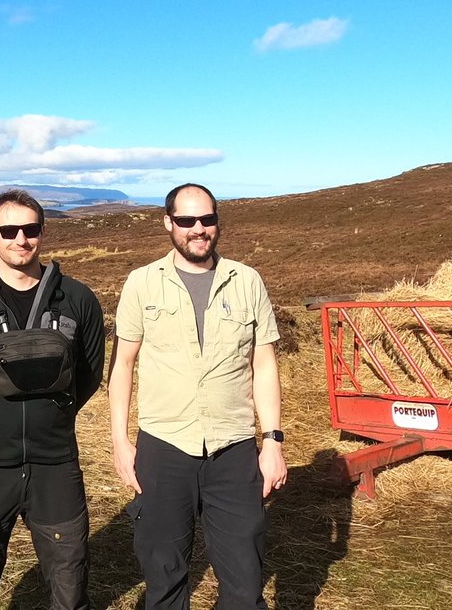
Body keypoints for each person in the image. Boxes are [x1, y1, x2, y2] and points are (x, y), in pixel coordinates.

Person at [108, 184, 286, 610]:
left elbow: (263, 366)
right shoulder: (142, 283)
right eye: (187, 221)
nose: (198, 229)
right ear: (169, 223)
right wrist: (119, 440)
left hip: (234, 448)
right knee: (164, 580)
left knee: (244, 584)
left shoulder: (247, 281)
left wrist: (273, 443)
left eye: (206, 219)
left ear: (216, 222)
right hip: (164, 446)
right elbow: (123, 366)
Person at [0, 190, 106, 610]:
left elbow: (90, 374)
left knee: (69, 591)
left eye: (30, 229)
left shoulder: (78, 299)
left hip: (55, 464)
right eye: (8, 230)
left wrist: (55, 415)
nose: (20, 239)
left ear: (43, 232)